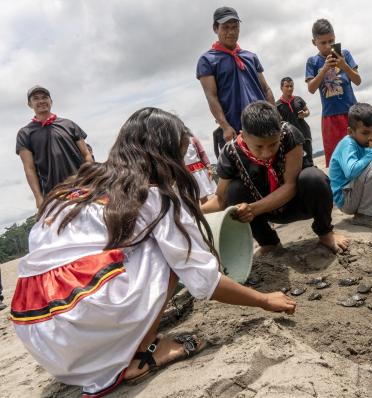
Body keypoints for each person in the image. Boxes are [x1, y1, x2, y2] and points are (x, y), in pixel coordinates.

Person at [9, 108, 296, 397]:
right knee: (167, 253)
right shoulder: (153, 195)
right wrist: (263, 300)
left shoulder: (75, 188)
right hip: (81, 326)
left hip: (40, 334)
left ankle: (121, 343)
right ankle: (144, 352)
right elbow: (203, 280)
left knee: (135, 253)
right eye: (179, 156)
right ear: (164, 155)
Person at [202, 101, 348, 254]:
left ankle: (325, 232)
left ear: (280, 132)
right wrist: (193, 210)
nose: (266, 153)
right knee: (233, 190)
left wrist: (252, 209)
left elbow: (290, 186)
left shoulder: (290, 134)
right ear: (243, 135)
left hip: (298, 204)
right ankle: (269, 242)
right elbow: (220, 198)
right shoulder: (230, 153)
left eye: (273, 144)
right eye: (259, 147)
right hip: (263, 214)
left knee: (314, 178)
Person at [197, 6, 275, 158]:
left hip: (264, 125)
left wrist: (275, 116)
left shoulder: (250, 57)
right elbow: (211, 96)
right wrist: (225, 126)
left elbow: (266, 89)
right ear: (215, 28)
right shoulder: (207, 61)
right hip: (237, 130)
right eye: (225, 27)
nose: (231, 32)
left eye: (235, 27)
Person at [16, 85, 94, 209]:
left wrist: (89, 179)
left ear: (51, 101)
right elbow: (29, 168)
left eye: (45, 97)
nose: (41, 101)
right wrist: (38, 197)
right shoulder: (25, 133)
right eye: (36, 98)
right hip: (54, 193)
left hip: (82, 186)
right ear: (30, 104)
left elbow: (86, 154)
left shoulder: (69, 124)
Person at [328, 103, 372, 229]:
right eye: (365, 133)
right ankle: (364, 215)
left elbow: (369, 163)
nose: (371, 137)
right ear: (351, 131)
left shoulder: (362, 142)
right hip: (346, 199)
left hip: (355, 192)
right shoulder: (348, 144)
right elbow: (351, 171)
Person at [306, 18, 361, 167]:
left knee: (359, 151)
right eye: (323, 43)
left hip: (352, 112)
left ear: (335, 37)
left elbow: (357, 80)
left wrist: (344, 65)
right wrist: (323, 70)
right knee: (338, 158)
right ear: (314, 42)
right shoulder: (313, 62)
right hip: (330, 117)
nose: (328, 46)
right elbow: (311, 88)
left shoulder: (345, 55)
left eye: (331, 41)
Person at [276, 77, 314, 166]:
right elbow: (279, 122)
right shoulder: (277, 105)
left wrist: (304, 114)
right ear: (281, 88)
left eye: (291, 86)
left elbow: (307, 111)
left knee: (309, 161)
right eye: (287, 86)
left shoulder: (298, 99)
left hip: (305, 134)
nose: (290, 88)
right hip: (291, 139)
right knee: (298, 164)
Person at [184, 131, 216, 203]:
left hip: (199, 170)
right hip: (186, 172)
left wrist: (209, 168)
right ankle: (197, 212)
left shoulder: (193, 139)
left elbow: (202, 153)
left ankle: (206, 211)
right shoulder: (175, 143)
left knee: (203, 195)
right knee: (191, 196)